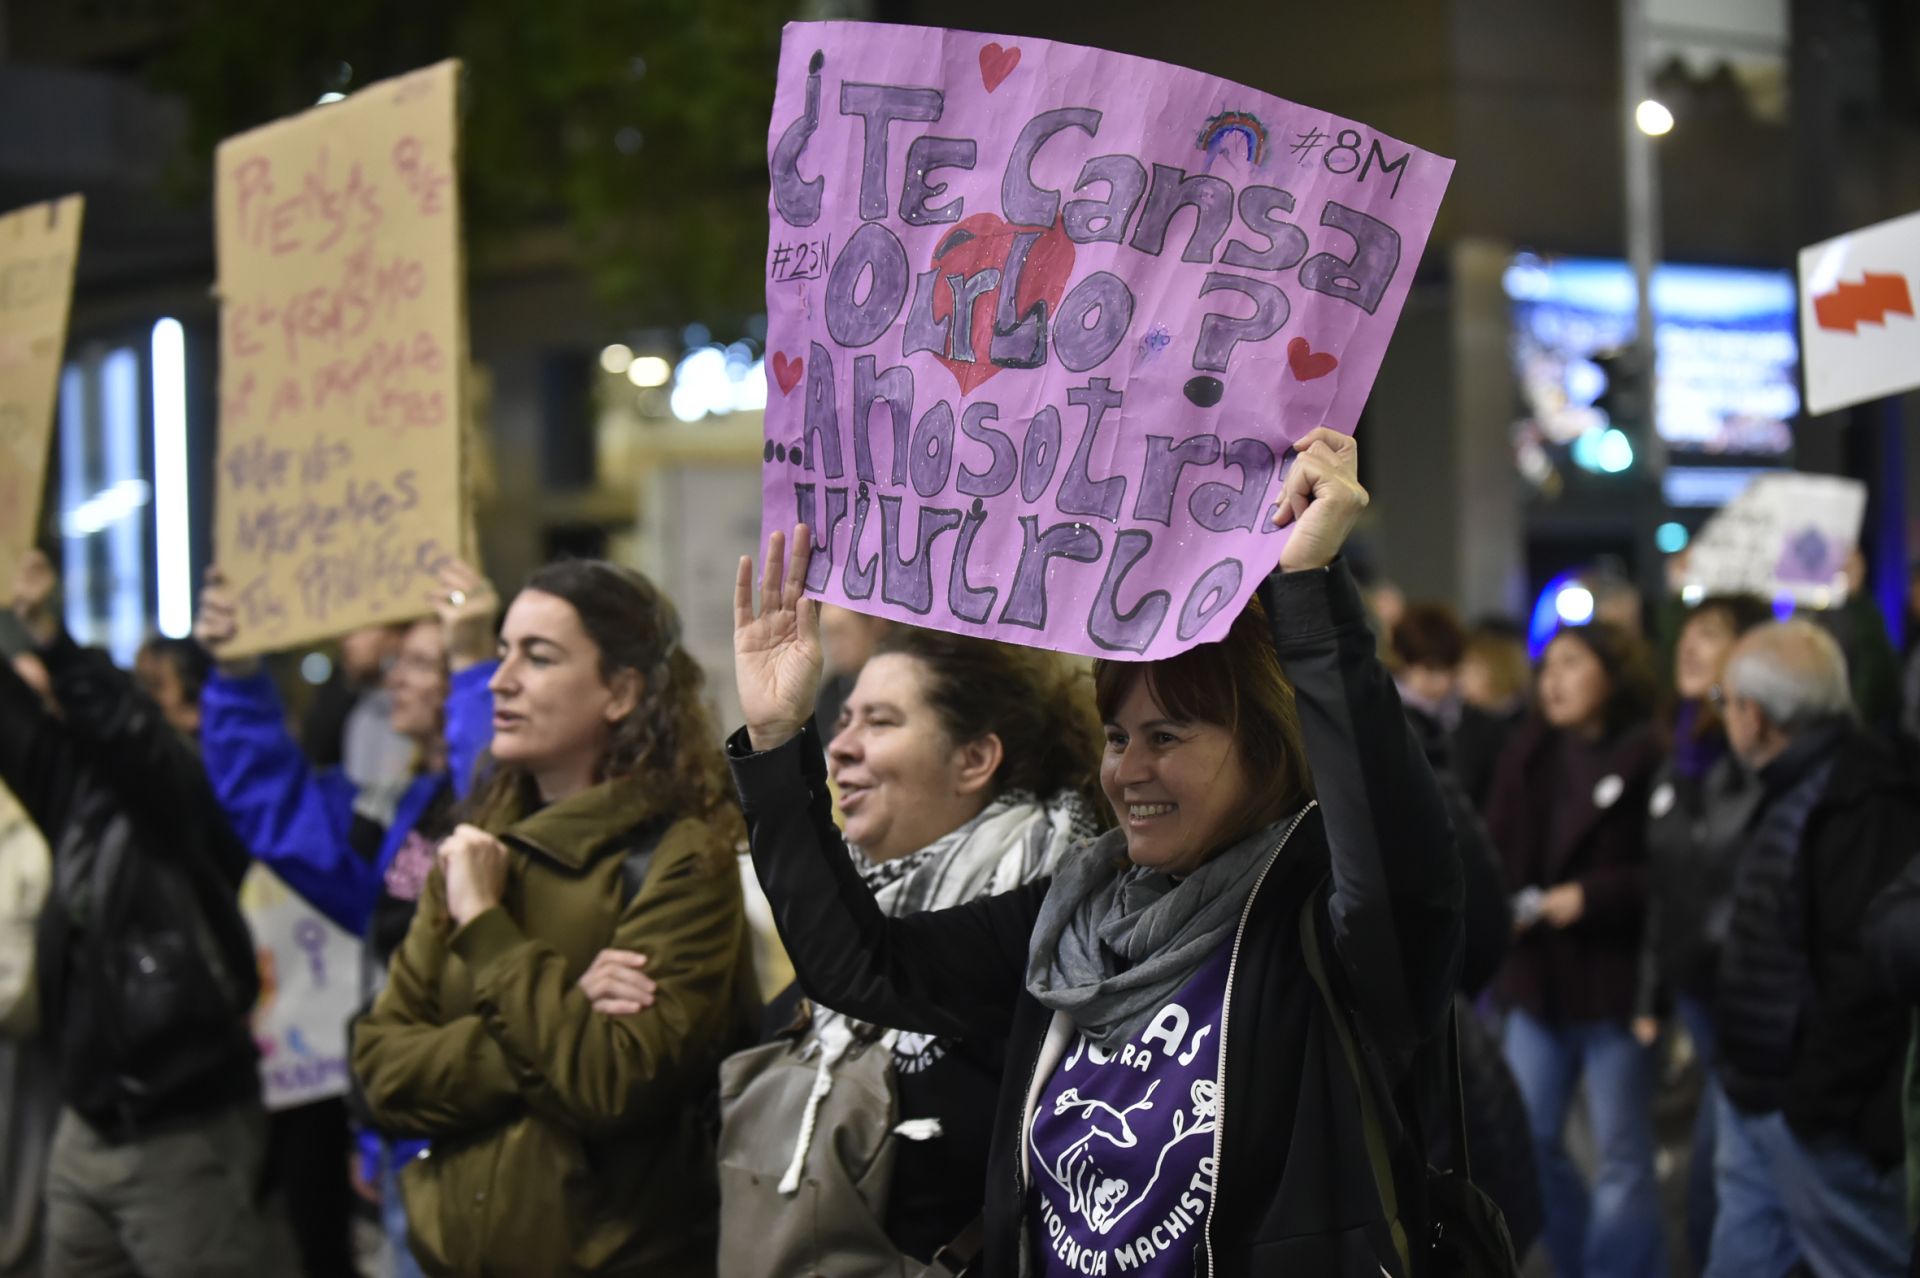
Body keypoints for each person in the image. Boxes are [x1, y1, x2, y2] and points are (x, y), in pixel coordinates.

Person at [732, 431, 1465, 1277]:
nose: (1128, 770)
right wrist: (779, 741)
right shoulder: (1075, 909)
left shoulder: (1325, 932)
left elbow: (1393, 850)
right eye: (1116, 736)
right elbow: (865, 968)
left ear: (1267, 748)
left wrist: (1308, 587)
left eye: (1167, 735)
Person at [350, 558, 758, 1277]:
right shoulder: (476, 845)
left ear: (621, 691)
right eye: (502, 652)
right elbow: (381, 1072)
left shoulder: (682, 855)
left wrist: (484, 924)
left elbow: (608, 1085)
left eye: (537, 658)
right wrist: (565, 1009)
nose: (502, 680)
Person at [716, 627, 1105, 1275]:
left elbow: (863, 966)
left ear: (975, 759)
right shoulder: (855, 906)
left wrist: (782, 746)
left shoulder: (1052, 915)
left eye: (881, 721)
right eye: (840, 721)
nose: (840, 747)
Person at [196, 560, 500, 1278]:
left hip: (494, 1135)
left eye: (425, 663)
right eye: (401, 660)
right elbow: (278, 809)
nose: (396, 676)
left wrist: (472, 659)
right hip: (405, 1135)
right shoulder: (392, 812)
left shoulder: (509, 807)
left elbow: (495, 784)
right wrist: (238, 676)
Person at [0, 550, 292, 1276]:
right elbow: (19, 733)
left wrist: (56, 639)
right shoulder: (83, 797)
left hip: (181, 1127)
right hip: (89, 1122)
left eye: (147, 686)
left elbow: (133, 742)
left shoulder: (184, 791)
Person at [1704, 620, 1915, 1278]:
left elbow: (1866, 976)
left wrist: (1813, 1106)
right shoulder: (1798, 783)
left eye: (1725, 701)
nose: (1721, 717)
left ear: (1756, 716)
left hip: (1812, 1119)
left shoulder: (1861, 797)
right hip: (1760, 1097)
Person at [1486, 621, 1666, 1278]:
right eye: (1548, 665)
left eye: (1572, 664)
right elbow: (1495, 849)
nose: (1553, 679)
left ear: (1612, 676)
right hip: (1537, 980)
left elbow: (1670, 874)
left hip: (1614, 982)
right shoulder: (1528, 752)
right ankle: (1584, 1257)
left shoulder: (1648, 754)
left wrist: (1591, 896)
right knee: (1527, 1140)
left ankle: (1618, 1269)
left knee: (1622, 1155)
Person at [1629, 593, 1771, 1274]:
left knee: (1720, 1190)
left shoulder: (1757, 756)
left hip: (1749, 1002)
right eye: (1684, 633)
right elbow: (1668, 889)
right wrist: (1652, 993)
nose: (1688, 645)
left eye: (1709, 635)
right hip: (1695, 996)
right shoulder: (1676, 755)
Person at [301, 623, 417, 788]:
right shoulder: (360, 710)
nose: (345, 641)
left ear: (395, 633)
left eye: (360, 628)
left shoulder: (417, 713)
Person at [1455, 621, 1531, 811]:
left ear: (1496, 670)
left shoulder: (1529, 724)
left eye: (1471, 669)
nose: (1461, 679)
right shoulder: (1465, 720)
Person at [812, 603, 895, 746]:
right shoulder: (832, 689)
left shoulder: (895, 687)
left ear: (876, 624)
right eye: (827, 634)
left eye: (840, 632)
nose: (833, 647)